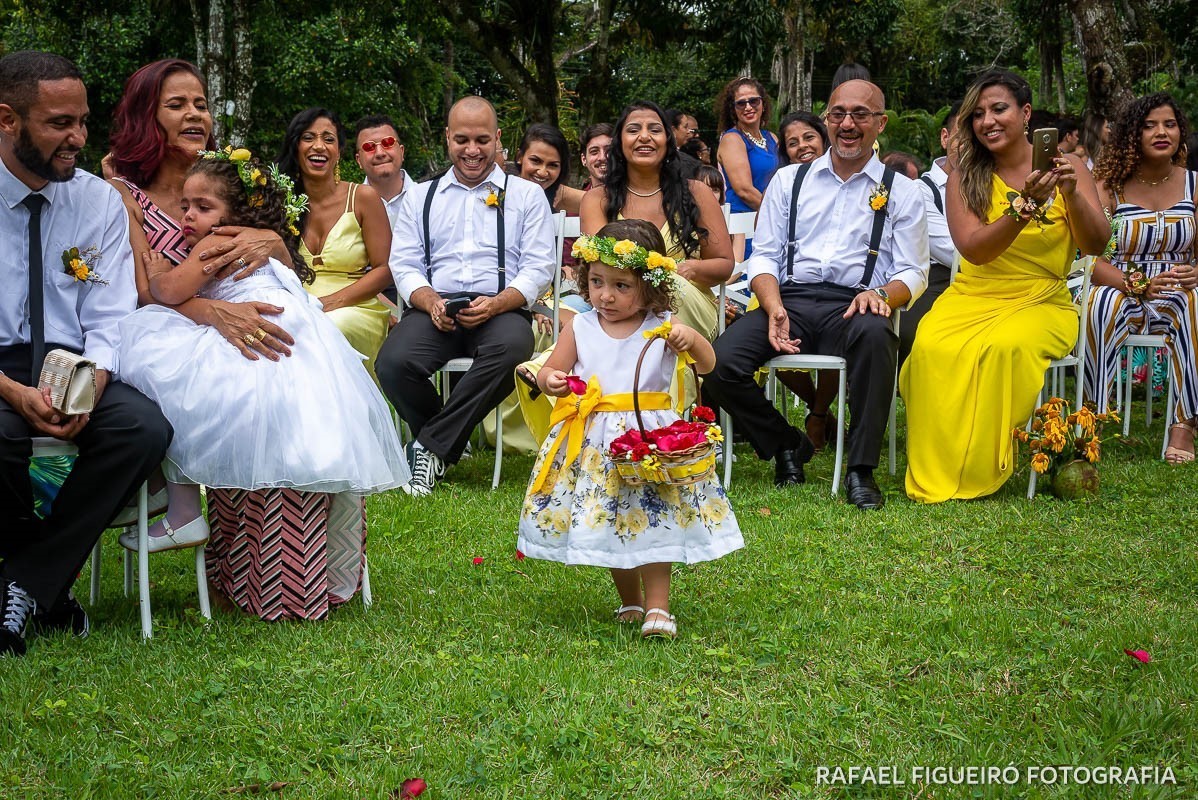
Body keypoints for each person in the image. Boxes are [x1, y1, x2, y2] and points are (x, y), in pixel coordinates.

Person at [117, 150, 408, 619]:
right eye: (186, 206)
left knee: (158, 362)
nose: (189, 216)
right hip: (302, 341)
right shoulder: (261, 243)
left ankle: (178, 499)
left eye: (203, 207)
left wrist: (154, 274)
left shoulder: (215, 244)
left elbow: (168, 294)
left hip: (256, 335)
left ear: (236, 213)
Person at [0, 51, 172, 657]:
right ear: (7, 120)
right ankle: (41, 585)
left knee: (142, 429)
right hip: (1, 367)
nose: (77, 138)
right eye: (58, 124)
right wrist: (13, 392)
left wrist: (92, 385)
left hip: (74, 363)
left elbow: (110, 317)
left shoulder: (96, 201)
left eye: (82, 121)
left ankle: (23, 583)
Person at [704, 79, 929, 511]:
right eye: (838, 113)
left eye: (860, 114)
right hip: (790, 301)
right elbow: (765, 257)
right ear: (827, 119)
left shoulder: (903, 190)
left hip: (858, 302)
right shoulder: (789, 181)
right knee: (720, 363)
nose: (847, 123)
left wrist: (882, 293)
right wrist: (772, 307)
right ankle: (787, 442)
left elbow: (914, 270)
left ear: (880, 123)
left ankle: (860, 469)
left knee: (878, 338)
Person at [518, 219, 742, 640]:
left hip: (648, 441)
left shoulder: (663, 326)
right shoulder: (580, 326)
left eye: (621, 286)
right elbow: (552, 369)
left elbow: (709, 366)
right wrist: (552, 381)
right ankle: (630, 599)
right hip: (597, 444)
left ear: (651, 286)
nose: (605, 295)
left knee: (653, 521)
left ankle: (658, 606)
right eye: (598, 282)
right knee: (610, 520)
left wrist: (690, 340)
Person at [901, 69, 1110, 503]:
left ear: (1026, 113)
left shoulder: (1067, 168)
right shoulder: (966, 173)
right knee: (929, 348)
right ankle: (940, 462)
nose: (988, 121)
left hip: (1042, 298)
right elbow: (974, 251)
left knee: (1003, 348)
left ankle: (980, 464)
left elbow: (1095, 243)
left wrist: (1070, 195)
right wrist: (1025, 207)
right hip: (974, 293)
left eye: (999, 109)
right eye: (977, 114)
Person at [376, 96, 556, 496]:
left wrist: (498, 303)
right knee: (392, 362)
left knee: (512, 350)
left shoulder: (527, 195)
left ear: (497, 139)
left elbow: (539, 266)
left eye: (481, 140)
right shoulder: (421, 197)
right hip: (436, 308)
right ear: (446, 139)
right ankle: (441, 442)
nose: (472, 150)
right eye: (461, 140)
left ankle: (427, 448)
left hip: (502, 307)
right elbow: (404, 265)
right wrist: (429, 302)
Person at [108, 59, 296, 360]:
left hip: (254, 324)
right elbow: (145, 294)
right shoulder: (124, 195)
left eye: (200, 105)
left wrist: (274, 243)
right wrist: (214, 312)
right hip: (171, 342)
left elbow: (287, 272)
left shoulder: (234, 183)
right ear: (146, 118)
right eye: (176, 105)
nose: (193, 114)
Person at [1084, 93, 1198, 463]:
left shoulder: (1194, 185)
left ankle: (1183, 424)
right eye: (1149, 125)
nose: (1161, 132)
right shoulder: (1108, 186)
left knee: (1196, 302)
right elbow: (1090, 258)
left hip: (1179, 290)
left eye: (1169, 124)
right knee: (1100, 303)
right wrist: (1135, 284)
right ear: (1132, 134)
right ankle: (1093, 418)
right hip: (1120, 284)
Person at [580, 100, 733, 342]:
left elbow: (724, 264)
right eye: (633, 130)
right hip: (616, 303)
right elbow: (599, 265)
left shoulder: (697, 193)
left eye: (654, 129)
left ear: (668, 141)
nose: (644, 137)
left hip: (685, 298)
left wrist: (690, 269)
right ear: (619, 142)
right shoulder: (597, 199)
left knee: (669, 285)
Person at [278, 108, 394, 378]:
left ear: (339, 151)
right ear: (296, 147)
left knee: (330, 327)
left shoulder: (363, 197)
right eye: (309, 137)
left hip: (354, 306)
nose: (319, 146)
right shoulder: (280, 201)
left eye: (328, 139)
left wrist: (329, 302)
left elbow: (384, 268)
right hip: (296, 304)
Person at [898, 101, 960, 369]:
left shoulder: (991, 184)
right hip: (936, 281)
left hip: (990, 283)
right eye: (963, 137)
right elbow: (949, 250)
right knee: (920, 336)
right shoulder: (922, 190)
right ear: (945, 138)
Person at [715, 78, 777, 260]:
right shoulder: (732, 139)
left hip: (770, 220)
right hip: (745, 224)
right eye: (741, 103)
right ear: (733, 110)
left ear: (763, 104)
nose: (748, 107)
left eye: (753, 101)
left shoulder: (771, 138)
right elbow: (744, 191)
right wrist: (780, 214)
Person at [512, 122, 585, 214]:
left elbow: (604, 204)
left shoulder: (560, 196)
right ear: (520, 157)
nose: (542, 172)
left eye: (553, 165)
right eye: (536, 161)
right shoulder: (501, 193)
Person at [353, 114, 411, 227]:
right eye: (369, 147)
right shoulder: (350, 209)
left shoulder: (428, 199)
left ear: (402, 152)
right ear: (359, 160)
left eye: (388, 143)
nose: (380, 153)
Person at [579, 123, 613, 189]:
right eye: (594, 152)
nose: (602, 157)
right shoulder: (577, 198)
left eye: (609, 150)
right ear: (584, 159)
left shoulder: (637, 196)